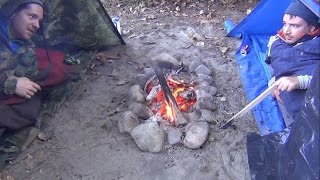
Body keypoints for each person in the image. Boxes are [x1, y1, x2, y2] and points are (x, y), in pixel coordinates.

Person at [0, 0, 70, 130]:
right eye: (32, 16)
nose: (36, 25)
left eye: (39, 21)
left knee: (58, 69)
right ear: (14, 13)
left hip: (14, 75)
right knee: (25, 112)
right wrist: (12, 84)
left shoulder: (21, 39)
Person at [266, 0, 320, 126]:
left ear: (312, 28)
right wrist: (275, 81)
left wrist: (301, 81)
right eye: (285, 24)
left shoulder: (315, 46)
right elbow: (280, 63)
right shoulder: (279, 41)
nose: (286, 31)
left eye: (295, 26)